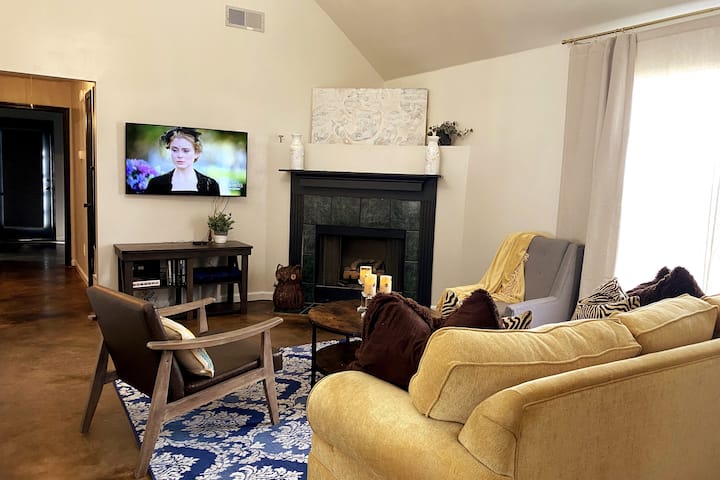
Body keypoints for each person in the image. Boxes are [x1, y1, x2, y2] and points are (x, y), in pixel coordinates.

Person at [145, 127, 220, 195]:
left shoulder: (210, 185)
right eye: (175, 150)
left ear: (196, 153)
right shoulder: (156, 184)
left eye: (186, 151)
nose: (180, 155)